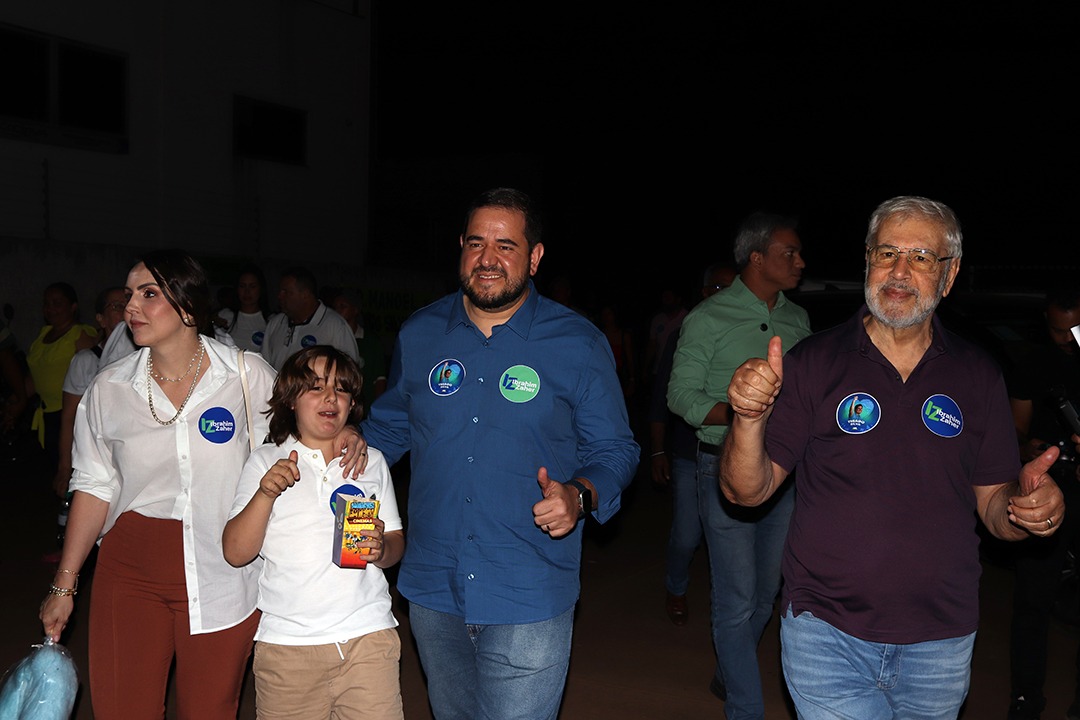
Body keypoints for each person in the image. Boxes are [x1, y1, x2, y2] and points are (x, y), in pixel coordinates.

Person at [720, 195, 1066, 719]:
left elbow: (995, 506)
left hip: (941, 641)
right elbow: (746, 491)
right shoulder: (814, 362)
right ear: (867, 261)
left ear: (948, 278)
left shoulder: (978, 374)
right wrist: (748, 417)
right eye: (886, 254)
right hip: (825, 631)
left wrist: (1025, 510)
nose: (899, 271)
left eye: (921, 258)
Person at [38, 249, 366, 720]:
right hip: (129, 569)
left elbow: (303, 422)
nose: (131, 307)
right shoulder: (109, 389)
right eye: (130, 295)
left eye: (148, 294)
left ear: (188, 307)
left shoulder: (244, 374)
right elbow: (94, 484)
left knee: (209, 709)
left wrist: (346, 431)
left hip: (222, 572)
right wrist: (64, 586)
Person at [359, 187, 640, 720]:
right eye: (475, 243)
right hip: (432, 586)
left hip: (528, 588)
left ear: (534, 257)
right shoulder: (421, 334)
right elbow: (388, 430)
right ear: (460, 248)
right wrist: (322, 451)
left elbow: (615, 449)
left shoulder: (577, 343)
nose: (487, 259)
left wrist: (579, 495)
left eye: (506, 246)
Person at [666, 213, 810, 717]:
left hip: (785, 474)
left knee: (767, 592)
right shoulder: (709, 317)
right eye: (788, 252)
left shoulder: (798, 321)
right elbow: (680, 395)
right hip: (720, 467)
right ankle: (745, 707)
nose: (799, 261)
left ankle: (732, 669)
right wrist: (745, 410)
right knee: (736, 597)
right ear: (756, 257)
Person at [223, 346, 404, 720]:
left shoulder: (370, 463)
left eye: (341, 389)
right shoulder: (263, 461)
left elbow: (396, 543)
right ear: (290, 400)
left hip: (367, 639)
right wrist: (265, 492)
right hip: (288, 648)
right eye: (315, 387)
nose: (330, 398)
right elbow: (236, 553)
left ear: (352, 403)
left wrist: (381, 548)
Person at [1006, 285, 1080, 720]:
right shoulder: (1033, 363)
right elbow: (1011, 434)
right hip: (1048, 486)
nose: (1069, 338)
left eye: (1077, 328)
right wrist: (1027, 447)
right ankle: (1025, 699)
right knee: (1033, 600)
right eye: (1059, 330)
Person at [652, 262, 736, 627]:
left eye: (734, 289)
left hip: (742, 452)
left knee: (732, 545)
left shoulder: (747, 331)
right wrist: (657, 450)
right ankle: (676, 586)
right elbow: (662, 397)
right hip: (690, 452)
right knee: (687, 534)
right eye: (719, 289)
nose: (727, 297)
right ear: (703, 293)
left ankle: (731, 615)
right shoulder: (689, 329)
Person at [51, 286, 136, 552]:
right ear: (99, 319)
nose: (125, 311)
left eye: (127, 303)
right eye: (115, 306)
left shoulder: (149, 357)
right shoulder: (86, 361)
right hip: (96, 458)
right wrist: (65, 467)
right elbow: (69, 417)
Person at [26, 283, 97, 478]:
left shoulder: (80, 334)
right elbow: (36, 376)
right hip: (46, 414)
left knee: (72, 473)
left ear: (73, 306)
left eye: (57, 303)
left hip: (69, 415)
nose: (50, 309)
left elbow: (93, 376)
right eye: (47, 304)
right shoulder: (43, 334)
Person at [261, 266, 359, 371]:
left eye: (286, 292)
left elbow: (350, 372)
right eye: (280, 291)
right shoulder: (275, 324)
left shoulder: (336, 326)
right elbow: (264, 367)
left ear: (305, 295)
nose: (280, 296)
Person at [324, 286, 388, 419]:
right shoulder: (329, 339)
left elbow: (380, 380)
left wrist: (376, 411)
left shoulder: (371, 341)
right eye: (335, 307)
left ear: (355, 310)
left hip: (364, 410)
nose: (338, 311)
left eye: (343, 306)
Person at [215, 264, 273, 353]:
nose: (247, 292)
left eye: (252, 286)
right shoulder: (226, 315)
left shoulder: (271, 321)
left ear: (261, 289)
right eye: (242, 286)